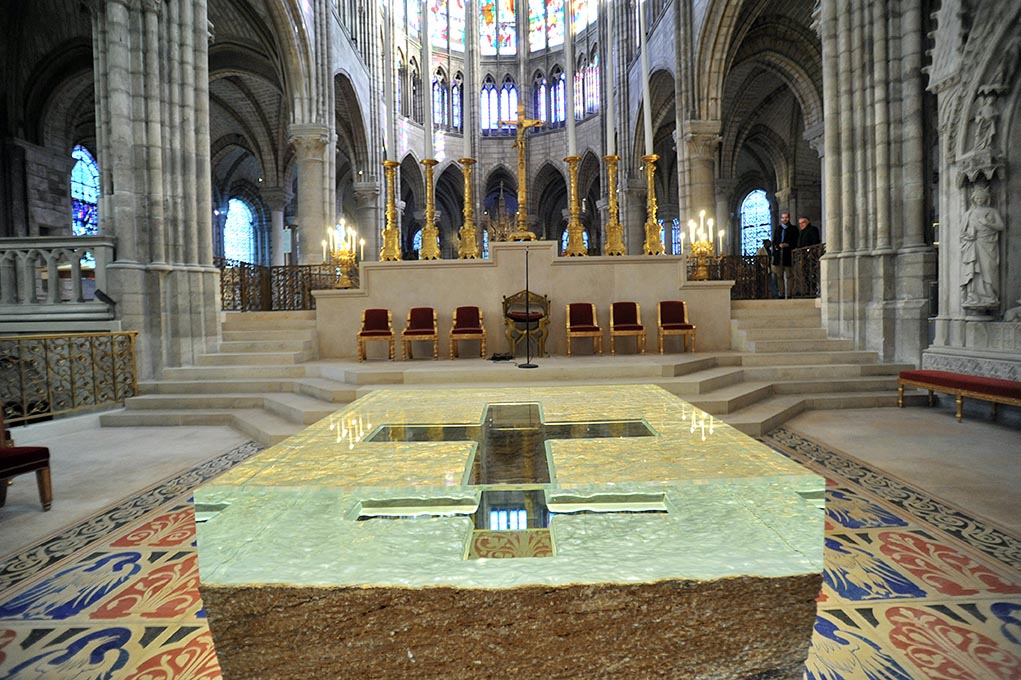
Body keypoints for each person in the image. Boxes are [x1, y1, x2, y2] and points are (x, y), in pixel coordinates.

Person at [960, 184, 1004, 309]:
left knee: (989, 270)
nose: (979, 200)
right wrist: (969, 235)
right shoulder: (969, 214)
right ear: (973, 199)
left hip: (988, 244)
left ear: (986, 198)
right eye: (977, 198)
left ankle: (990, 296)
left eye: (982, 198)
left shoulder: (992, 211)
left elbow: (1001, 226)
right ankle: (973, 296)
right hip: (973, 245)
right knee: (974, 270)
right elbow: (962, 233)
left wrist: (988, 223)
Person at [772, 213, 798, 298]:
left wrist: (788, 245)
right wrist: (777, 246)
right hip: (779, 256)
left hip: (788, 255)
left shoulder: (794, 229)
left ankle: (790, 293)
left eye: (786, 217)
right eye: (783, 218)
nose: (784, 219)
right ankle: (781, 293)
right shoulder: (778, 229)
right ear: (781, 219)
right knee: (779, 276)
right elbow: (774, 241)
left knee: (789, 275)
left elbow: (795, 241)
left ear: (789, 218)